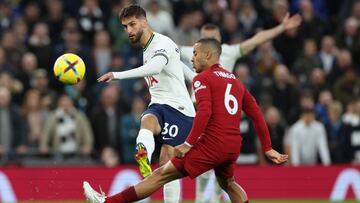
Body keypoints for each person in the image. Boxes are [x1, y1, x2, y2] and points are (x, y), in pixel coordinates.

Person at [83, 38, 288, 203]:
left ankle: (106, 202)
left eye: (195, 54)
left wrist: (188, 143)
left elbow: (204, 111)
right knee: (228, 183)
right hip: (233, 146)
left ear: (208, 55)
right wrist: (268, 147)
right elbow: (256, 113)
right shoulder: (235, 81)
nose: (192, 59)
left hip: (212, 145)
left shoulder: (202, 79)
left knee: (160, 175)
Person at [180, 13, 302, 203]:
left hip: (219, 115)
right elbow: (166, 50)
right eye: (206, 37)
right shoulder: (190, 52)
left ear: (219, 43)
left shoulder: (229, 51)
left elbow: (257, 39)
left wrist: (281, 27)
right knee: (206, 175)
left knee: (215, 174)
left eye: (214, 38)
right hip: (196, 110)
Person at [97, 5, 195, 203]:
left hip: (179, 109)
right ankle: (143, 154)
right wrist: (197, 79)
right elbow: (181, 68)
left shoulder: (162, 43)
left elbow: (156, 67)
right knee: (147, 119)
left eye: (132, 24)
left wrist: (116, 75)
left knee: (168, 163)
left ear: (145, 22)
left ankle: (145, 153)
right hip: (159, 105)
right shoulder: (148, 47)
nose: (129, 30)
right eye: (125, 27)